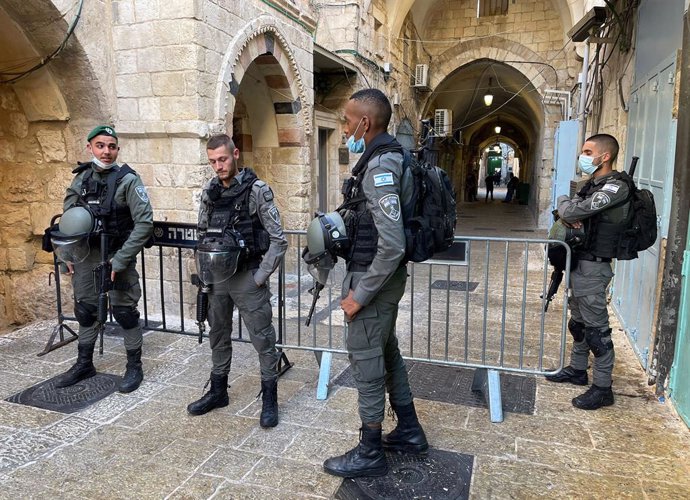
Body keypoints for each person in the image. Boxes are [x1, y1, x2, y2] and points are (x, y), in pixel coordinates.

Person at [322, 89, 428, 478]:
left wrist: (359, 296)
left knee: (366, 366)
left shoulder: (380, 166)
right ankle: (410, 431)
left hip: (373, 282)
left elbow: (393, 243)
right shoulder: (387, 158)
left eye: (348, 121)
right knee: (388, 355)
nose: (346, 128)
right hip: (381, 279)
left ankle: (369, 451)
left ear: (365, 123)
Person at [187, 134, 287, 428]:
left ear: (236, 155)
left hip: (247, 277)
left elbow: (279, 241)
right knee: (218, 335)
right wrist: (204, 275)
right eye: (213, 161)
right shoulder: (210, 192)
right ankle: (218, 391)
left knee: (263, 340)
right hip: (216, 280)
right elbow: (203, 236)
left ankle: (270, 399)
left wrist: (260, 277)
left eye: (223, 159)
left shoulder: (257, 191)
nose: (218, 166)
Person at [54, 125, 153, 393]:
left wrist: (120, 261)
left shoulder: (128, 180)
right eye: (100, 145)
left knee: (124, 312)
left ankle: (134, 367)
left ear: (117, 149)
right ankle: (84, 363)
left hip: (118, 255)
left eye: (111, 146)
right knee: (85, 310)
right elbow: (68, 222)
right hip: (87, 256)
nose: (106, 151)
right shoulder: (81, 179)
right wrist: (66, 257)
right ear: (90, 147)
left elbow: (144, 224)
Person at [545, 134, 631, 410]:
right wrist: (567, 209)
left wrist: (563, 204)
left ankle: (603, 387)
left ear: (604, 156)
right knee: (578, 323)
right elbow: (570, 212)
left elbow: (571, 211)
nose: (582, 156)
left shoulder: (615, 187)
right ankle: (578, 370)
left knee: (597, 331)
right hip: (579, 262)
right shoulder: (592, 185)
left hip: (594, 267)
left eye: (587, 151)